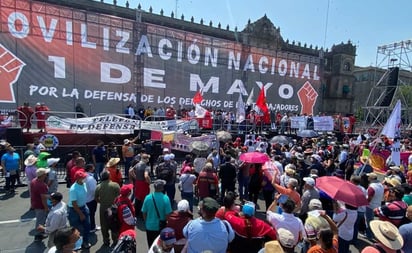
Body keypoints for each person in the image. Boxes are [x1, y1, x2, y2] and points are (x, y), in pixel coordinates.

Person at [142, 179, 173, 248]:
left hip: (149, 227)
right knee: (161, 247)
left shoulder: (147, 198)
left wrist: (146, 222)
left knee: (151, 246)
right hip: (161, 227)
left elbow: (144, 212)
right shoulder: (165, 198)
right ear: (162, 188)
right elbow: (168, 214)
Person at [95, 171, 120, 247]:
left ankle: (106, 241)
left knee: (104, 225)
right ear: (109, 176)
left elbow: (96, 198)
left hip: (103, 207)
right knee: (114, 223)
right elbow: (119, 196)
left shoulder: (98, 186)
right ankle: (115, 240)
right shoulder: (115, 185)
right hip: (114, 207)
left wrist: (101, 202)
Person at [67, 170, 91, 249]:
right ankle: (75, 245)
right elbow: (74, 203)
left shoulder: (83, 184)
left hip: (83, 206)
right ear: (78, 179)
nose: (85, 178)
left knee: (87, 226)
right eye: (83, 177)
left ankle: (85, 242)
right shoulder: (73, 189)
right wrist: (80, 214)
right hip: (75, 210)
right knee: (76, 229)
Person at [31, 167, 50, 241]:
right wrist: (46, 207)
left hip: (35, 203)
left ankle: (40, 233)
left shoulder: (33, 181)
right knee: (40, 220)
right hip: (40, 205)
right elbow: (43, 198)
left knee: (40, 219)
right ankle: (38, 235)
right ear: (43, 175)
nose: (46, 175)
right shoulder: (41, 185)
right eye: (45, 174)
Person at [129, 153, 151, 219]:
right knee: (143, 199)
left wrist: (135, 177)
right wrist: (149, 182)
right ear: (146, 159)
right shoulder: (146, 167)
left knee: (137, 198)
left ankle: (136, 213)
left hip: (138, 183)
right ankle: (142, 214)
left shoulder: (137, 164)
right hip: (143, 184)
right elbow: (146, 175)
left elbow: (130, 171)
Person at [365, 172, 385, 240]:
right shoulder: (380, 185)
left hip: (370, 206)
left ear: (371, 178)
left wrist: (364, 204)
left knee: (369, 221)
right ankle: (372, 234)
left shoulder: (372, 187)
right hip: (377, 205)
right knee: (373, 221)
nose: (367, 178)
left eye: (368, 177)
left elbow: (369, 198)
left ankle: (369, 235)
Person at [84, 164, 99, 233]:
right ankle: (92, 227)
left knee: (88, 214)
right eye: (93, 168)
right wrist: (97, 197)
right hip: (91, 199)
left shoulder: (85, 176)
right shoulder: (90, 178)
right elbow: (94, 190)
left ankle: (90, 226)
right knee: (92, 214)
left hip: (85, 198)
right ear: (90, 169)